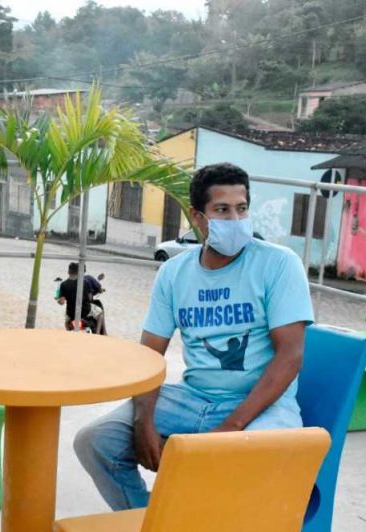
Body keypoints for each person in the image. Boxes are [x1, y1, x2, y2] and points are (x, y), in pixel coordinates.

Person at [73, 162, 313, 511]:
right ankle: (147, 527)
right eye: (222, 210)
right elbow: (150, 354)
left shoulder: (278, 263)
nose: (235, 220)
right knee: (95, 442)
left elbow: (290, 355)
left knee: (251, 456)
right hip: (193, 398)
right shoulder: (174, 273)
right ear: (197, 217)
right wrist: (144, 422)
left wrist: (231, 427)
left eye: (241, 209)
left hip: (261, 405)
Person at [56, 261, 105, 334]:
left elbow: (62, 302)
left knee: (66, 322)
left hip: (71, 313)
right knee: (100, 313)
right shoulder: (85, 282)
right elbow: (90, 298)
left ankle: (68, 331)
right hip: (86, 311)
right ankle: (97, 333)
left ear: (68, 272)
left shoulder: (63, 284)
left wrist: (58, 300)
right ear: (78, 272)